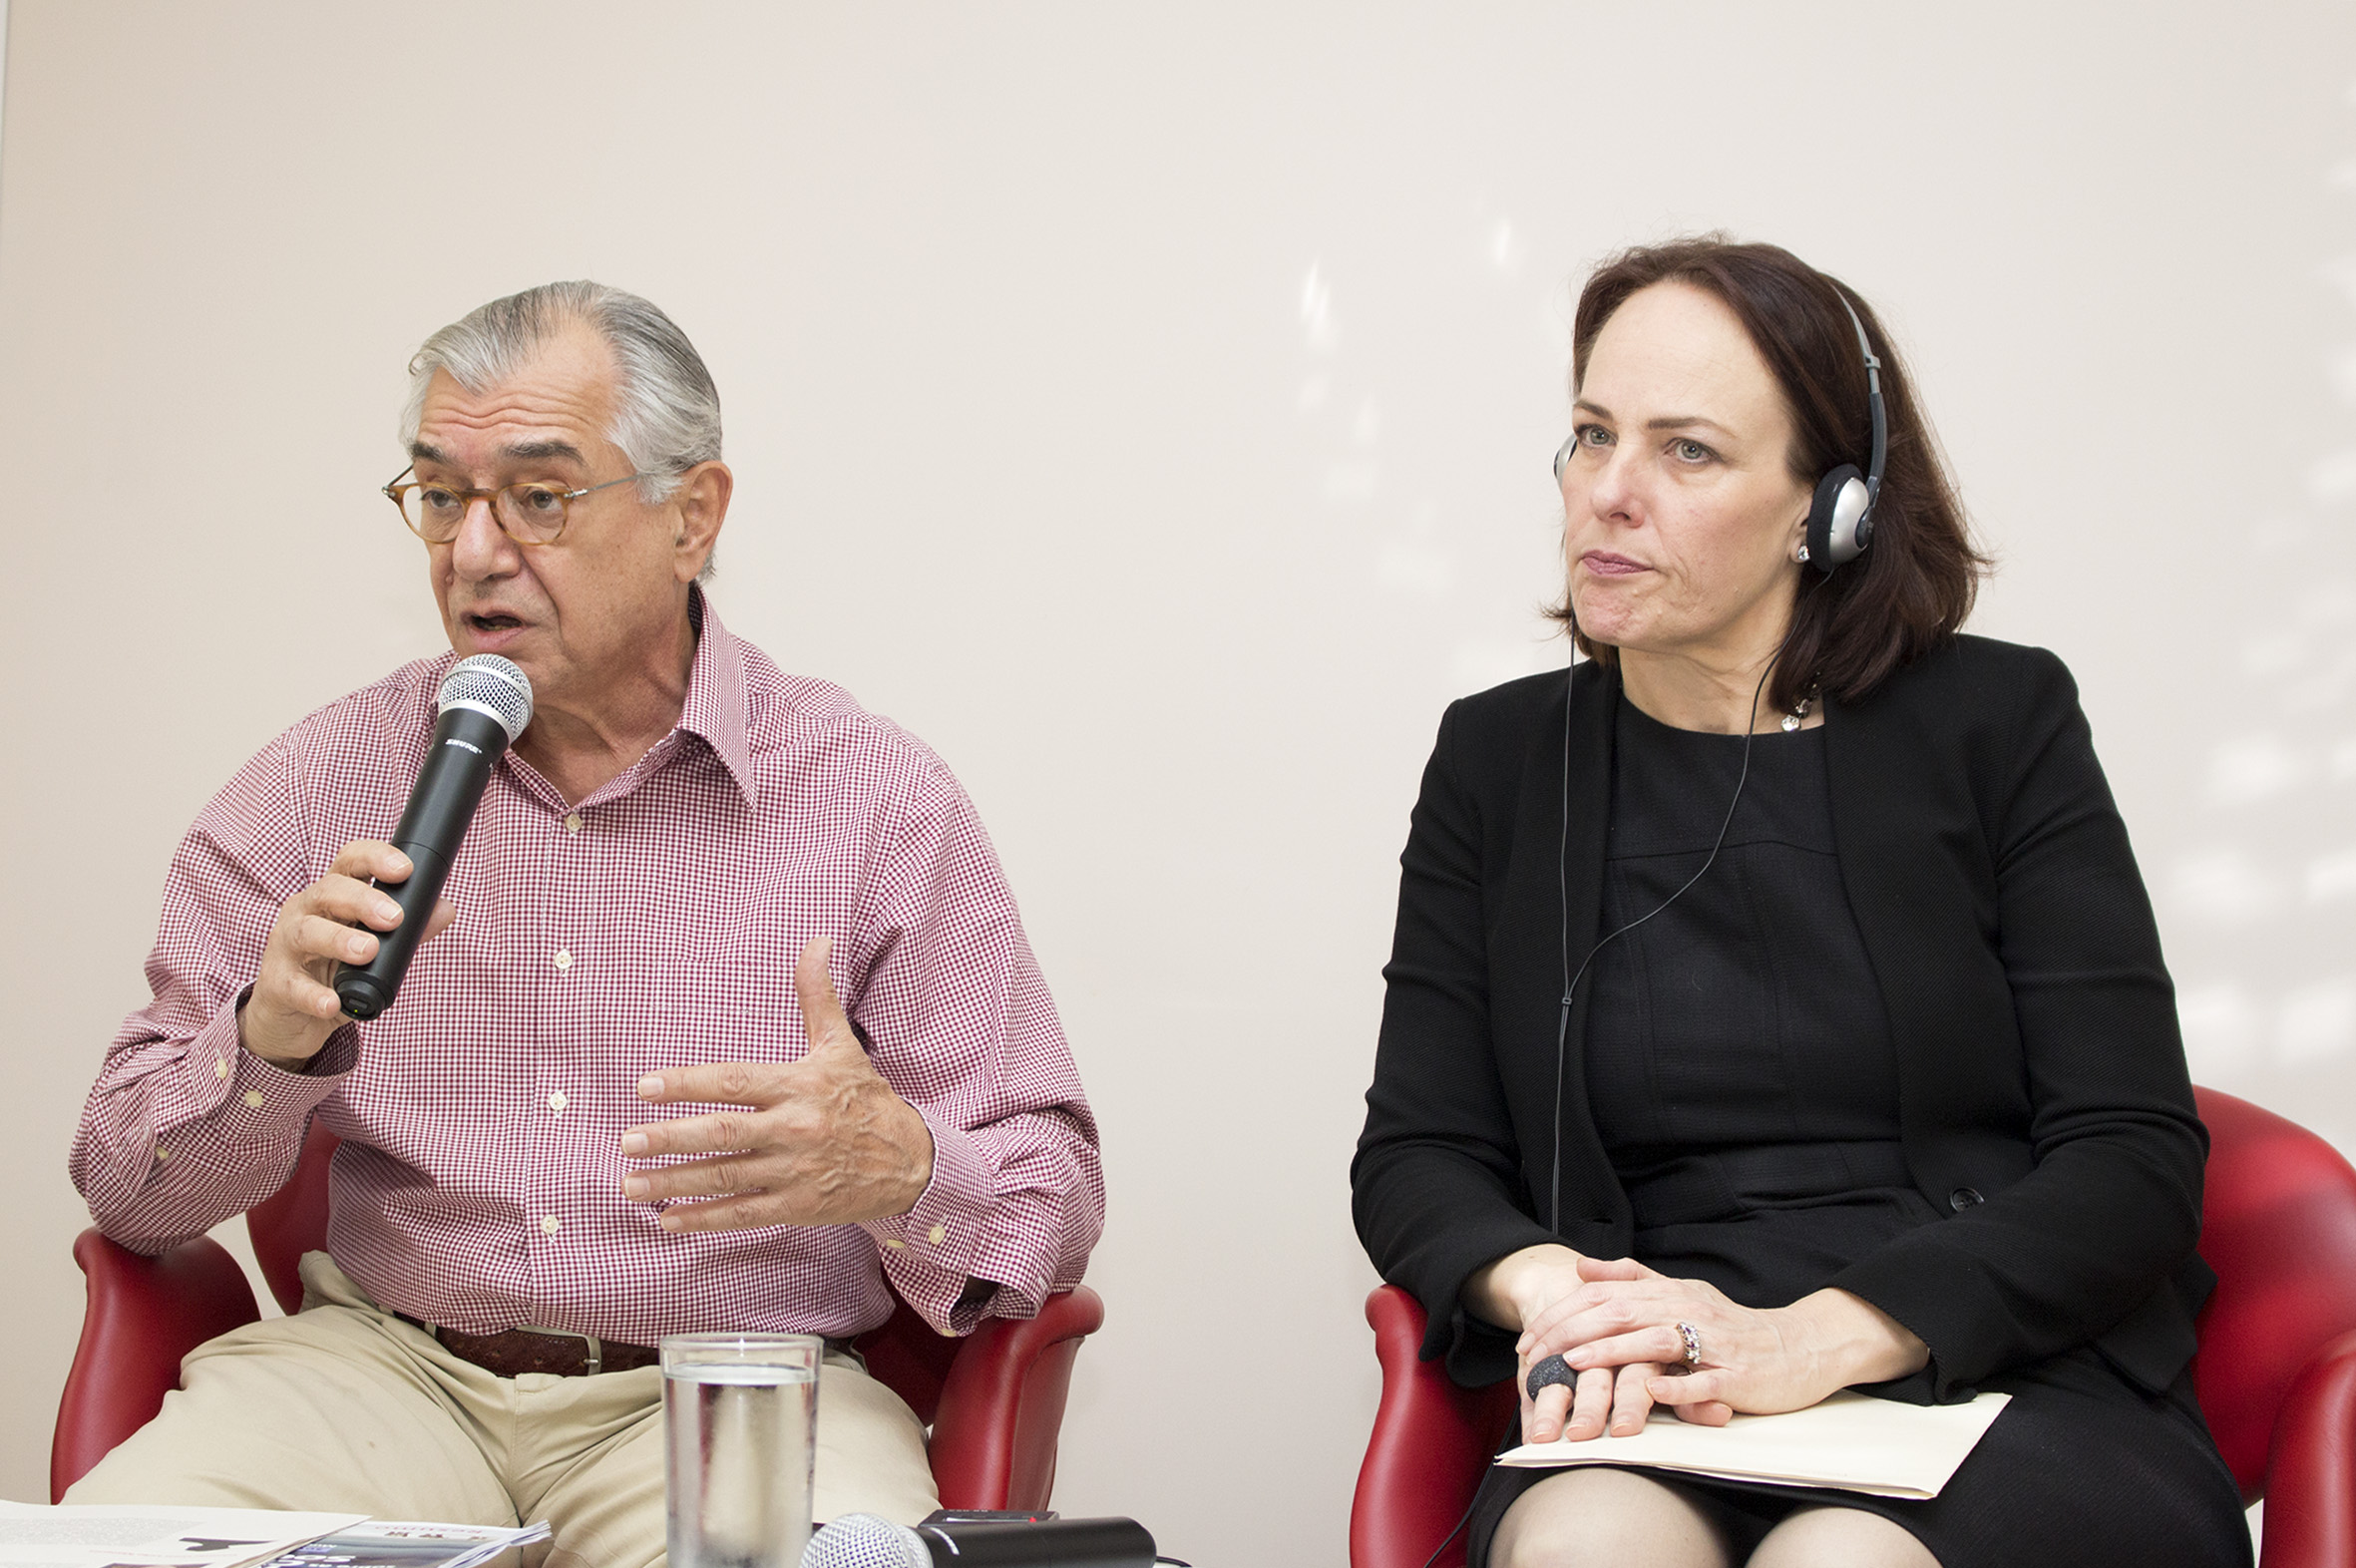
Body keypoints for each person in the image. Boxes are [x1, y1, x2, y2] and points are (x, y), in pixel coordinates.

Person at [68, 281, 1103, 1566]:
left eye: (540, 497)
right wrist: (261, 1049)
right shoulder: (316, 784)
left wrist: (899, 1170)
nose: (476, 552)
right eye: (441, 497)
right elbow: (127, 1192)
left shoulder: (873, 798)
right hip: (382, 1375)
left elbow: (1053, 1197)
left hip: (734, 1384)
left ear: (693, 515)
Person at [1352, 237, 2248, 1568]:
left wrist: (1812, 1339)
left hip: (1997, 1378)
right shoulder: (1497, 762)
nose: (1606, 493)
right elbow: (1418, 1152)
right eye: (1591, 434)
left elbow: (2129, 1156)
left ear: (1823, 510)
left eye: (1686, 451)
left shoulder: (1996, 725)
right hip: (1665, 1385)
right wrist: (1565, 1296)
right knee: (1583, 1546)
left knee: (1840, 1562)